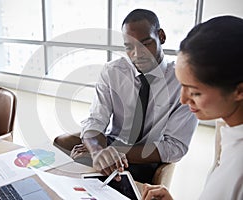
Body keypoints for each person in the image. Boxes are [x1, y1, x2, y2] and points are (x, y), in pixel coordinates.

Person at [54, 9, 197, 184]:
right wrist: (98, 151)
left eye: (146, 44)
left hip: (145, 159)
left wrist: (112, 151)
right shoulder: (112, 72)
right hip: (110, 146)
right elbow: (96, 120)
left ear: (161, 36)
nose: (137, 54)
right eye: (129, 47)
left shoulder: (182, 81)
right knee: (63, 174)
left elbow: (175, 147)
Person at [141, 15, 243, 200]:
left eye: (195, 92)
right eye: (182, 86)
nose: (182, 100)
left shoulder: (239, 167)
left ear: (239, 90)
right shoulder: (231, 134)